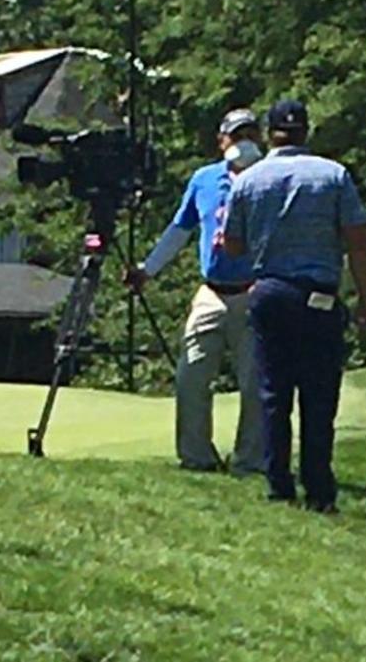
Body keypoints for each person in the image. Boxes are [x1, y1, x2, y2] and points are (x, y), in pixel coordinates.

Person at [221, 99, 366, 513]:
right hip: (318, 294)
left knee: (274, 392)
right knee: (319, 394)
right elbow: (357, 240)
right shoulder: (333, 175)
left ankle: (279, 485)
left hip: (270, 291)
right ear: (306, 131)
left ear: (270, 132)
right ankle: (319, 489)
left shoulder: (249, 180)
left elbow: (231, 244)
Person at [126, 108, 265, 475]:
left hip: (256, 291)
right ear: (222, 141)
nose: (244, 142)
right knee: (191, 376)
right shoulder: (204, 180)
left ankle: (250, 461)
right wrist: (147, 270)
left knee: (255, 383)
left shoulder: (270, 179)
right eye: (237, 136)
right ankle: (197, 457)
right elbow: (180, 230)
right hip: (212, 292)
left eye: (251, 134)